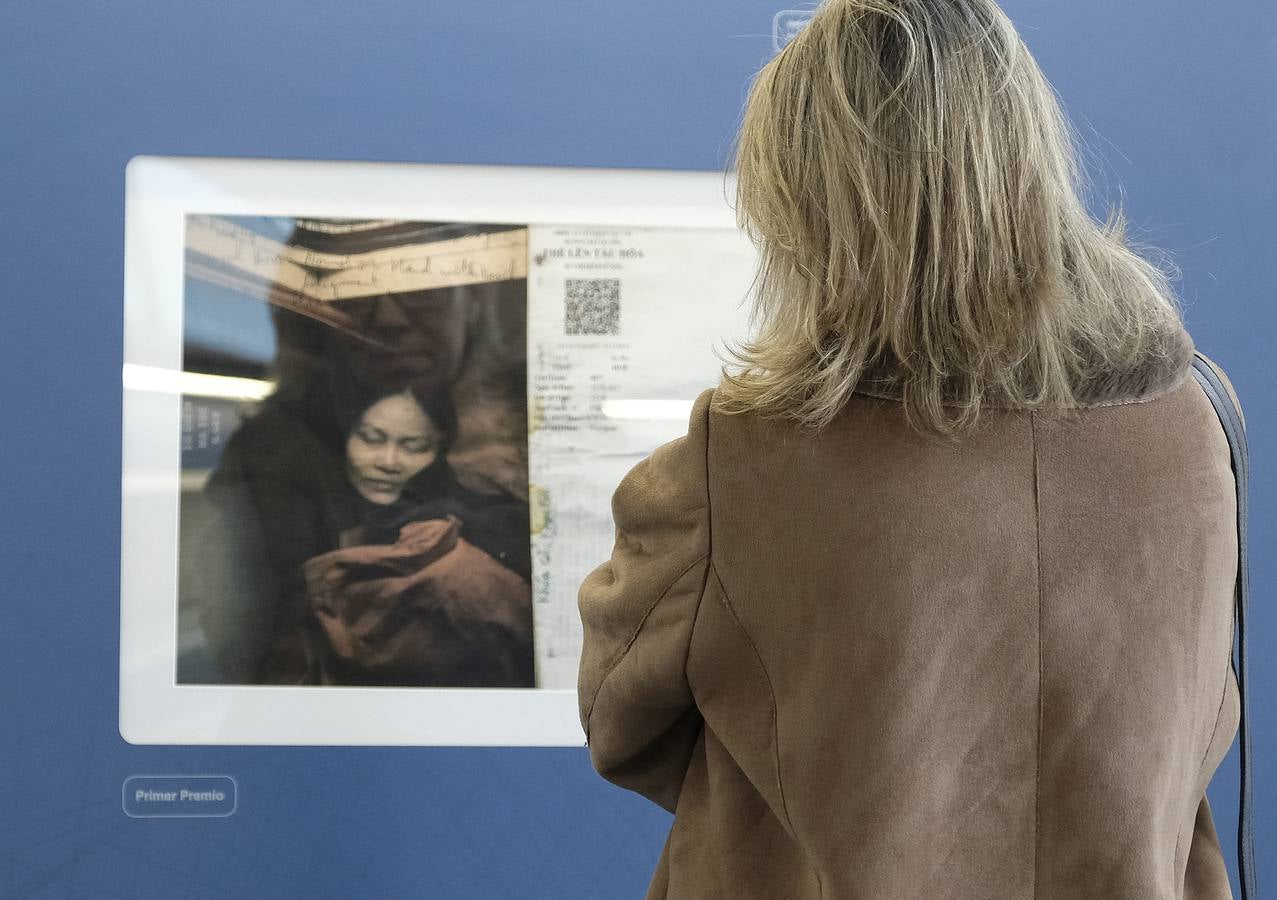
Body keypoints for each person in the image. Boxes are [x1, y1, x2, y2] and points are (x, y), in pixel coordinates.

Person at [577, 1, 1245, 898]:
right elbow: (1204, 722)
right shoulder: (1188, 421)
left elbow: (621, 720)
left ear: (803, 192)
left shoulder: (740, 459)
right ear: (1028, 153)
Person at [199, 376, 533, 687]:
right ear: (342, 435)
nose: (388, 461)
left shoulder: (468, 522)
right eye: (371, 439)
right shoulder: (282, 522)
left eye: (414, 446)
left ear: (439, 450)